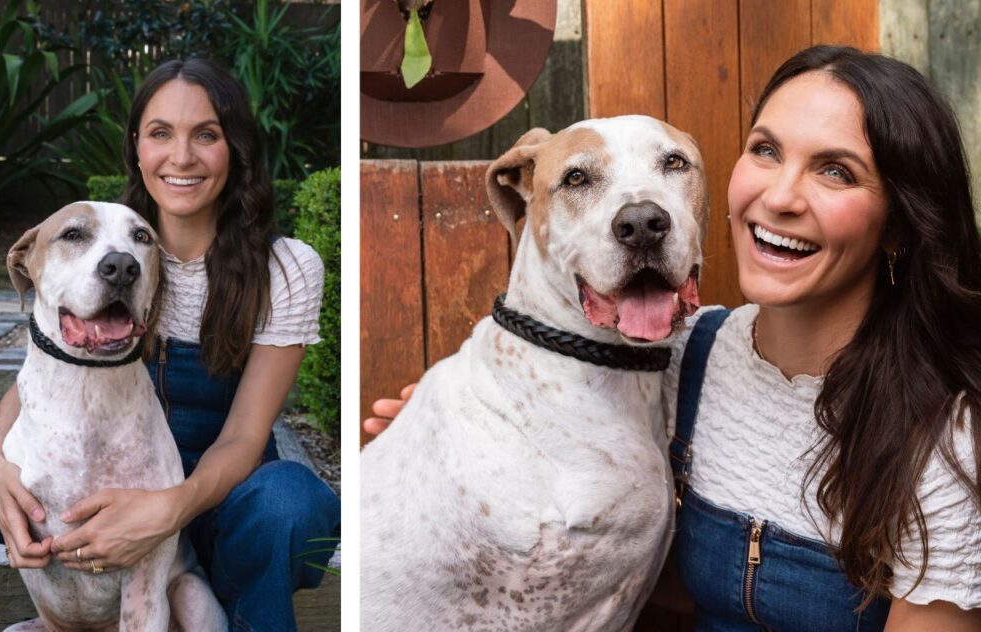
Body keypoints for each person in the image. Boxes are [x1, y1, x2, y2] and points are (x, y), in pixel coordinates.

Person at [364, 46, 981, 630]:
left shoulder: (944, 437)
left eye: (835, 171)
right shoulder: (680, 354)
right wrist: (442, 462)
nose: (780, 195)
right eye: (765, 151)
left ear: (902, 221)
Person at [0, 58, 341, 630]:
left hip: (216, 504)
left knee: (292, 499)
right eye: (160, 133)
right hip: (97, 480)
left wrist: (166, 510)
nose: (181, 157)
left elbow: (243, 436)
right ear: (137, 146)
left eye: (206, 135)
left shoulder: (284, 266)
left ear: (234, 147)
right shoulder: (109, 242)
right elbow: (41, 369)